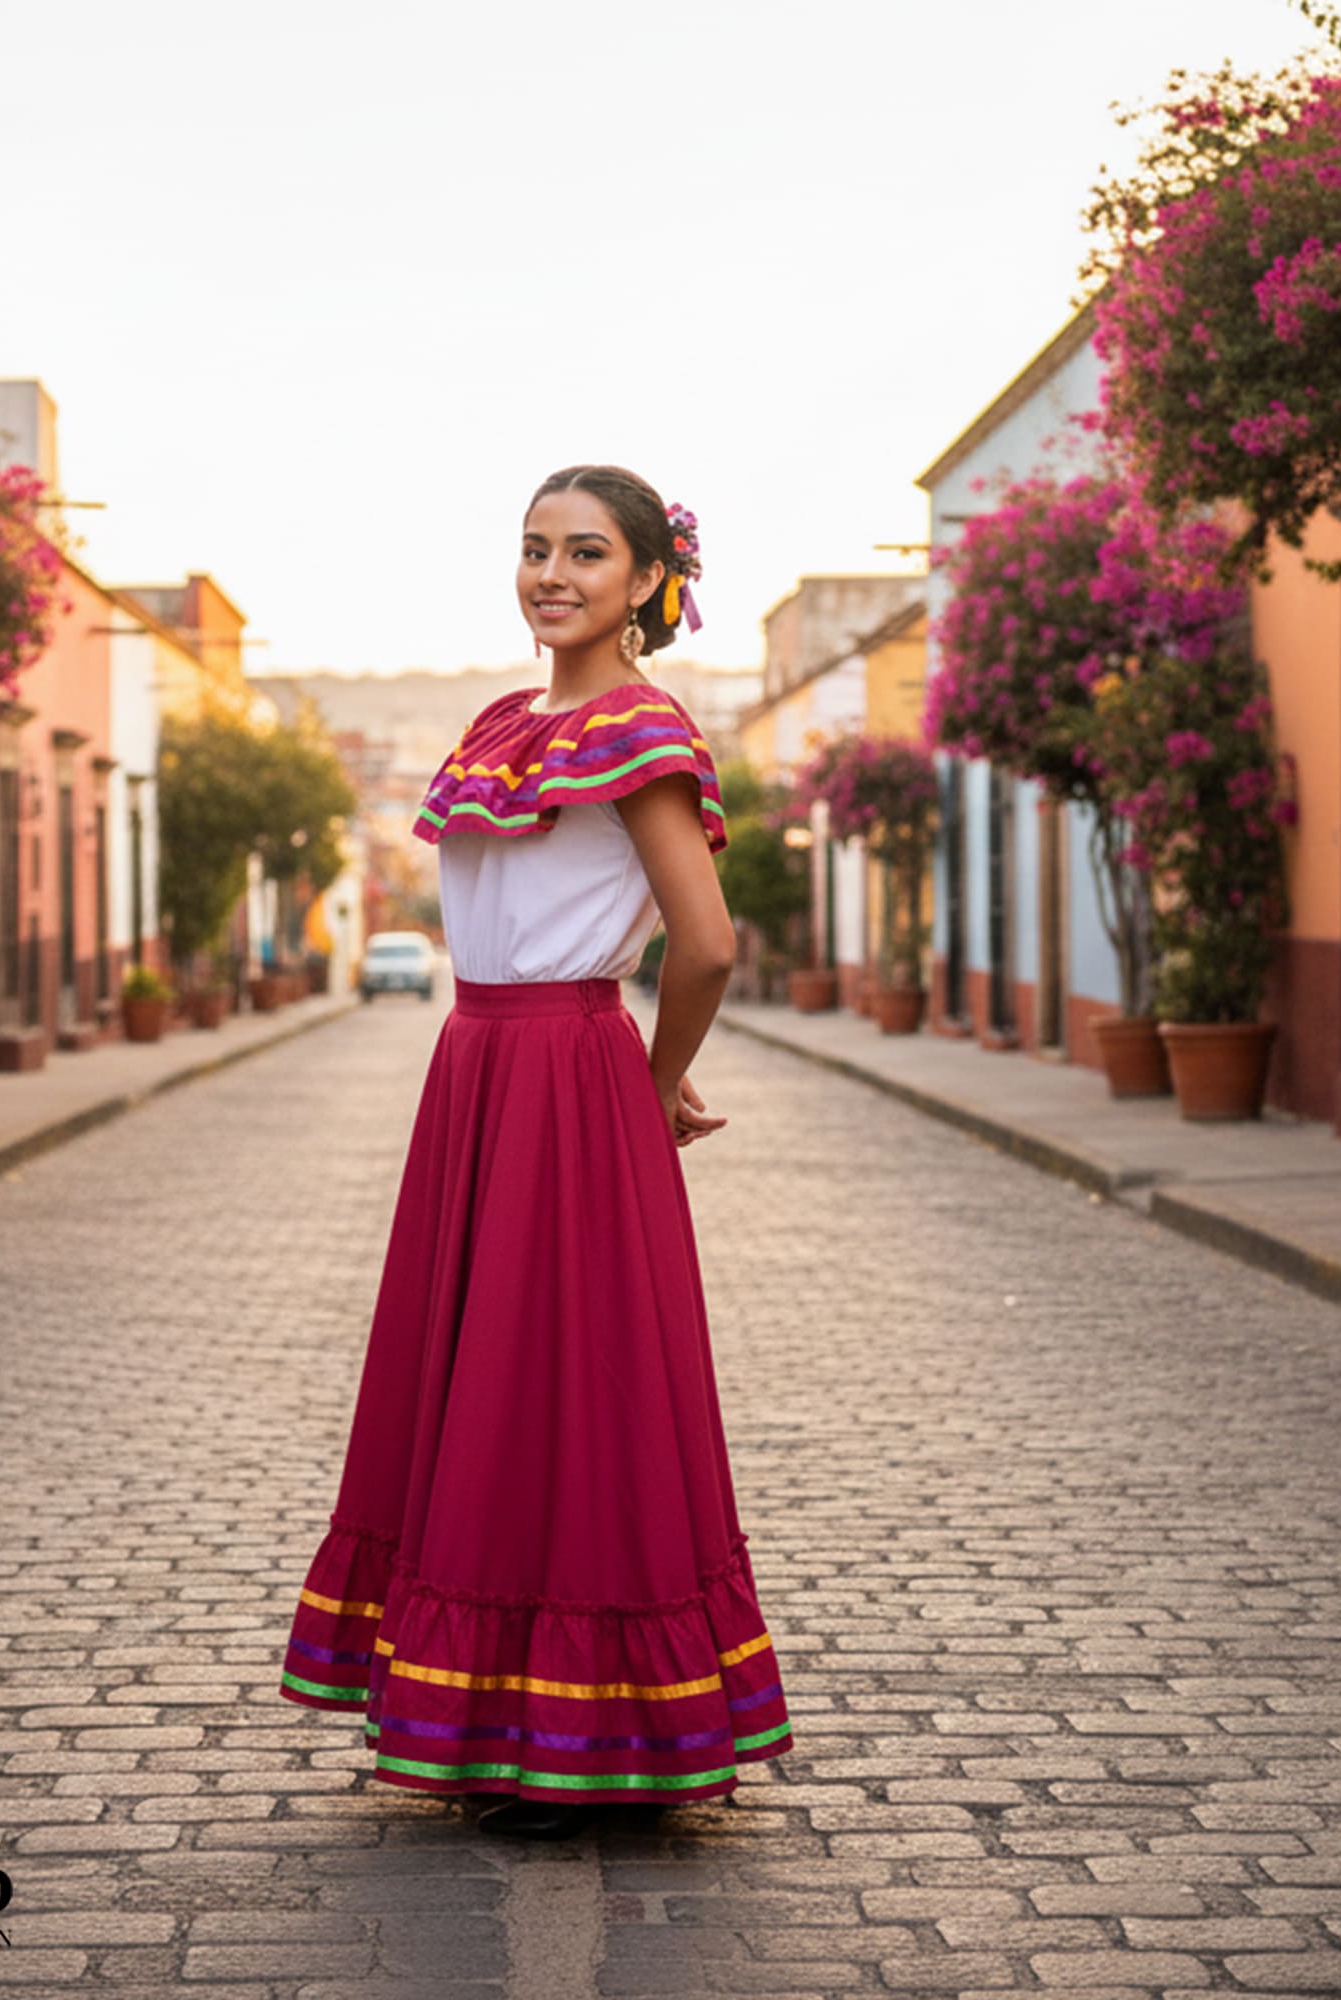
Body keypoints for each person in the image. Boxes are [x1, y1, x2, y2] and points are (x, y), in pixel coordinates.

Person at [277, 464, 793, 1841]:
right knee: (483, 1383)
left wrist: (651, 1078)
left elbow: (710, 941)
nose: (552, 575)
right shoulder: (507, 722)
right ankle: (495, 1715)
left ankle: (585, 1731)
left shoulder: (640, 728)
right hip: (478, 1068)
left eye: (585, 554)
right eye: (534, 550)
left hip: (567, 1074)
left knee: (565, 1389)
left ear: (643, 584)